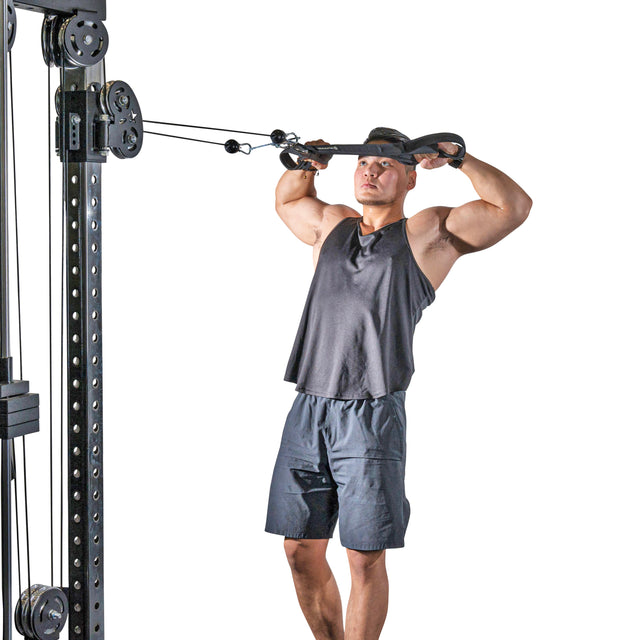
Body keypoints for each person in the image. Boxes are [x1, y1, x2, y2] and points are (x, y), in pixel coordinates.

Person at [265, 127, 532, 640]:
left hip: (371, 411)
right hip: (309, 406)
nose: (370, 170)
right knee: (298, 549)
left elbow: (513, 207)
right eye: (364, 162)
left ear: (411, 176)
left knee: (364, 558)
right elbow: (289, 199)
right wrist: (308, 162)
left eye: (385, 164)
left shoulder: (427, 233)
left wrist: (461, 160)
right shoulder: (332, 224)